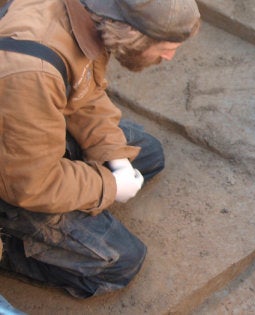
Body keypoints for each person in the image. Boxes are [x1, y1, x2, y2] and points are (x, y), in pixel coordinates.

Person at [0, 0, 200, 298]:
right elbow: (32, 184)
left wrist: (114, 157)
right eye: (165, 47)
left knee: (147, 155)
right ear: (131, 34)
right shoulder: (32, 71)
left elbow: (84, 89)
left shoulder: (90, 14)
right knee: (120, 262)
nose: (170, 57)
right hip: (19, 170)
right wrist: (108, 185)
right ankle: (11, 244)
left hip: (27, 123)